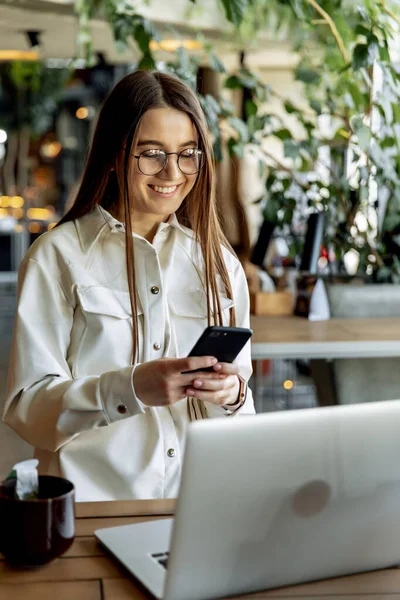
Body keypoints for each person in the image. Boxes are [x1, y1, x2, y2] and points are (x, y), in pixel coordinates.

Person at [3, 70, 255, 502]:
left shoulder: (219, 265)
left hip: (198, 503)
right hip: (94, 508)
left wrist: (232, 393)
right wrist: (131, 389)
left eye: (187, 153)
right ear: (116, 155)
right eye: (152, 153)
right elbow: (27, 409)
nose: (172, 172)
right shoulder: (58, 257)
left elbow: (241, 405)